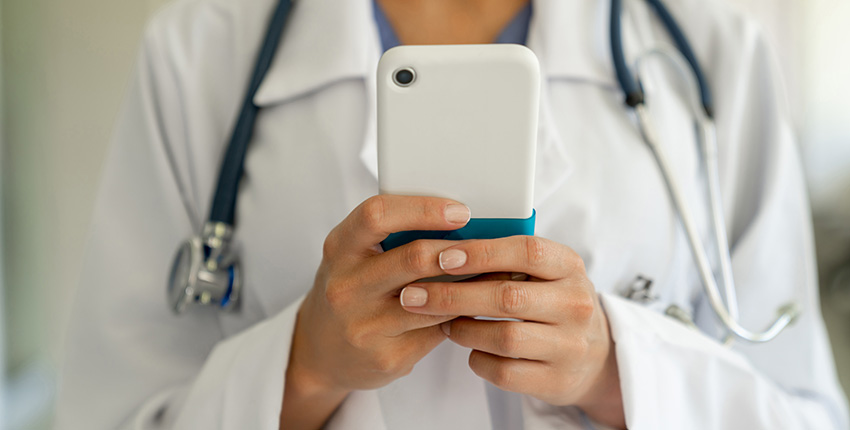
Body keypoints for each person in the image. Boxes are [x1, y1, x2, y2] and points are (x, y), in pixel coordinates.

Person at [55, 0, 849, 428]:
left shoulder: (713, 55)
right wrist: (303, 370)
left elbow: (802, 413)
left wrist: (619, 372)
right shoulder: (198, 53)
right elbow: (109, 412)